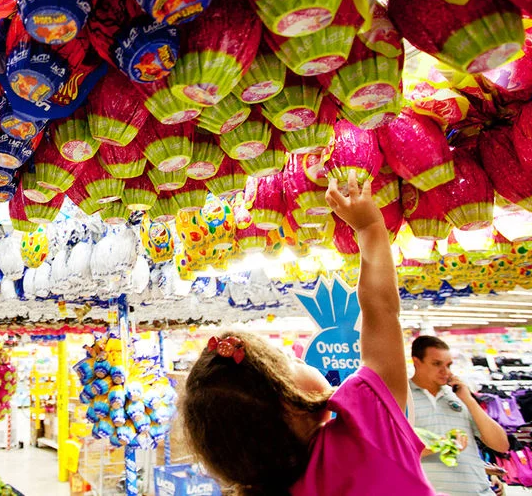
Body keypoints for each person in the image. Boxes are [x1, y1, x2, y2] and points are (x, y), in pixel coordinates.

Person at [181, 172, 438, 495]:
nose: (299, 357)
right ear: (290, 406)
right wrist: (370, 228)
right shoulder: (365, 433)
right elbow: (382, 310)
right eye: (290, 361)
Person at [409, 335, 510, 496]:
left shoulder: (460, 396)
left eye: (448, 365)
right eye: (436, 364)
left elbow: (501, 445)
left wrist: (469, 400)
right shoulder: (401, 398)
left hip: (478, 491)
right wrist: (441, 445)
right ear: (416, 361)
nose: (445, 371)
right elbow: (392, 452)